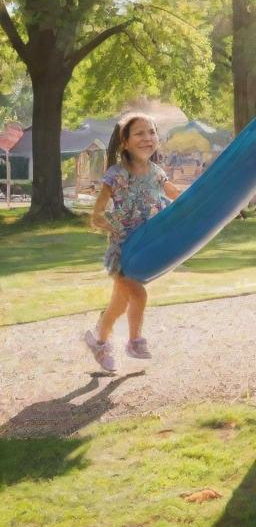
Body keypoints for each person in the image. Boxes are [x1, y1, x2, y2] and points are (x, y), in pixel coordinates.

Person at [84, 113, 182, 372]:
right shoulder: (115, 175)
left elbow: (177, 195)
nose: (148, 138)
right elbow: (97, 214)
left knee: (117, 306)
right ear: (124, 142)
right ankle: (134, 341)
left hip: (147, 245)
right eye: (139, 133)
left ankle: (98, 341)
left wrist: (205, 197)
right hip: (124, 251)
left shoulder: (157, 172)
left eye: (152, 132)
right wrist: (109, 224)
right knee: (138, 293)